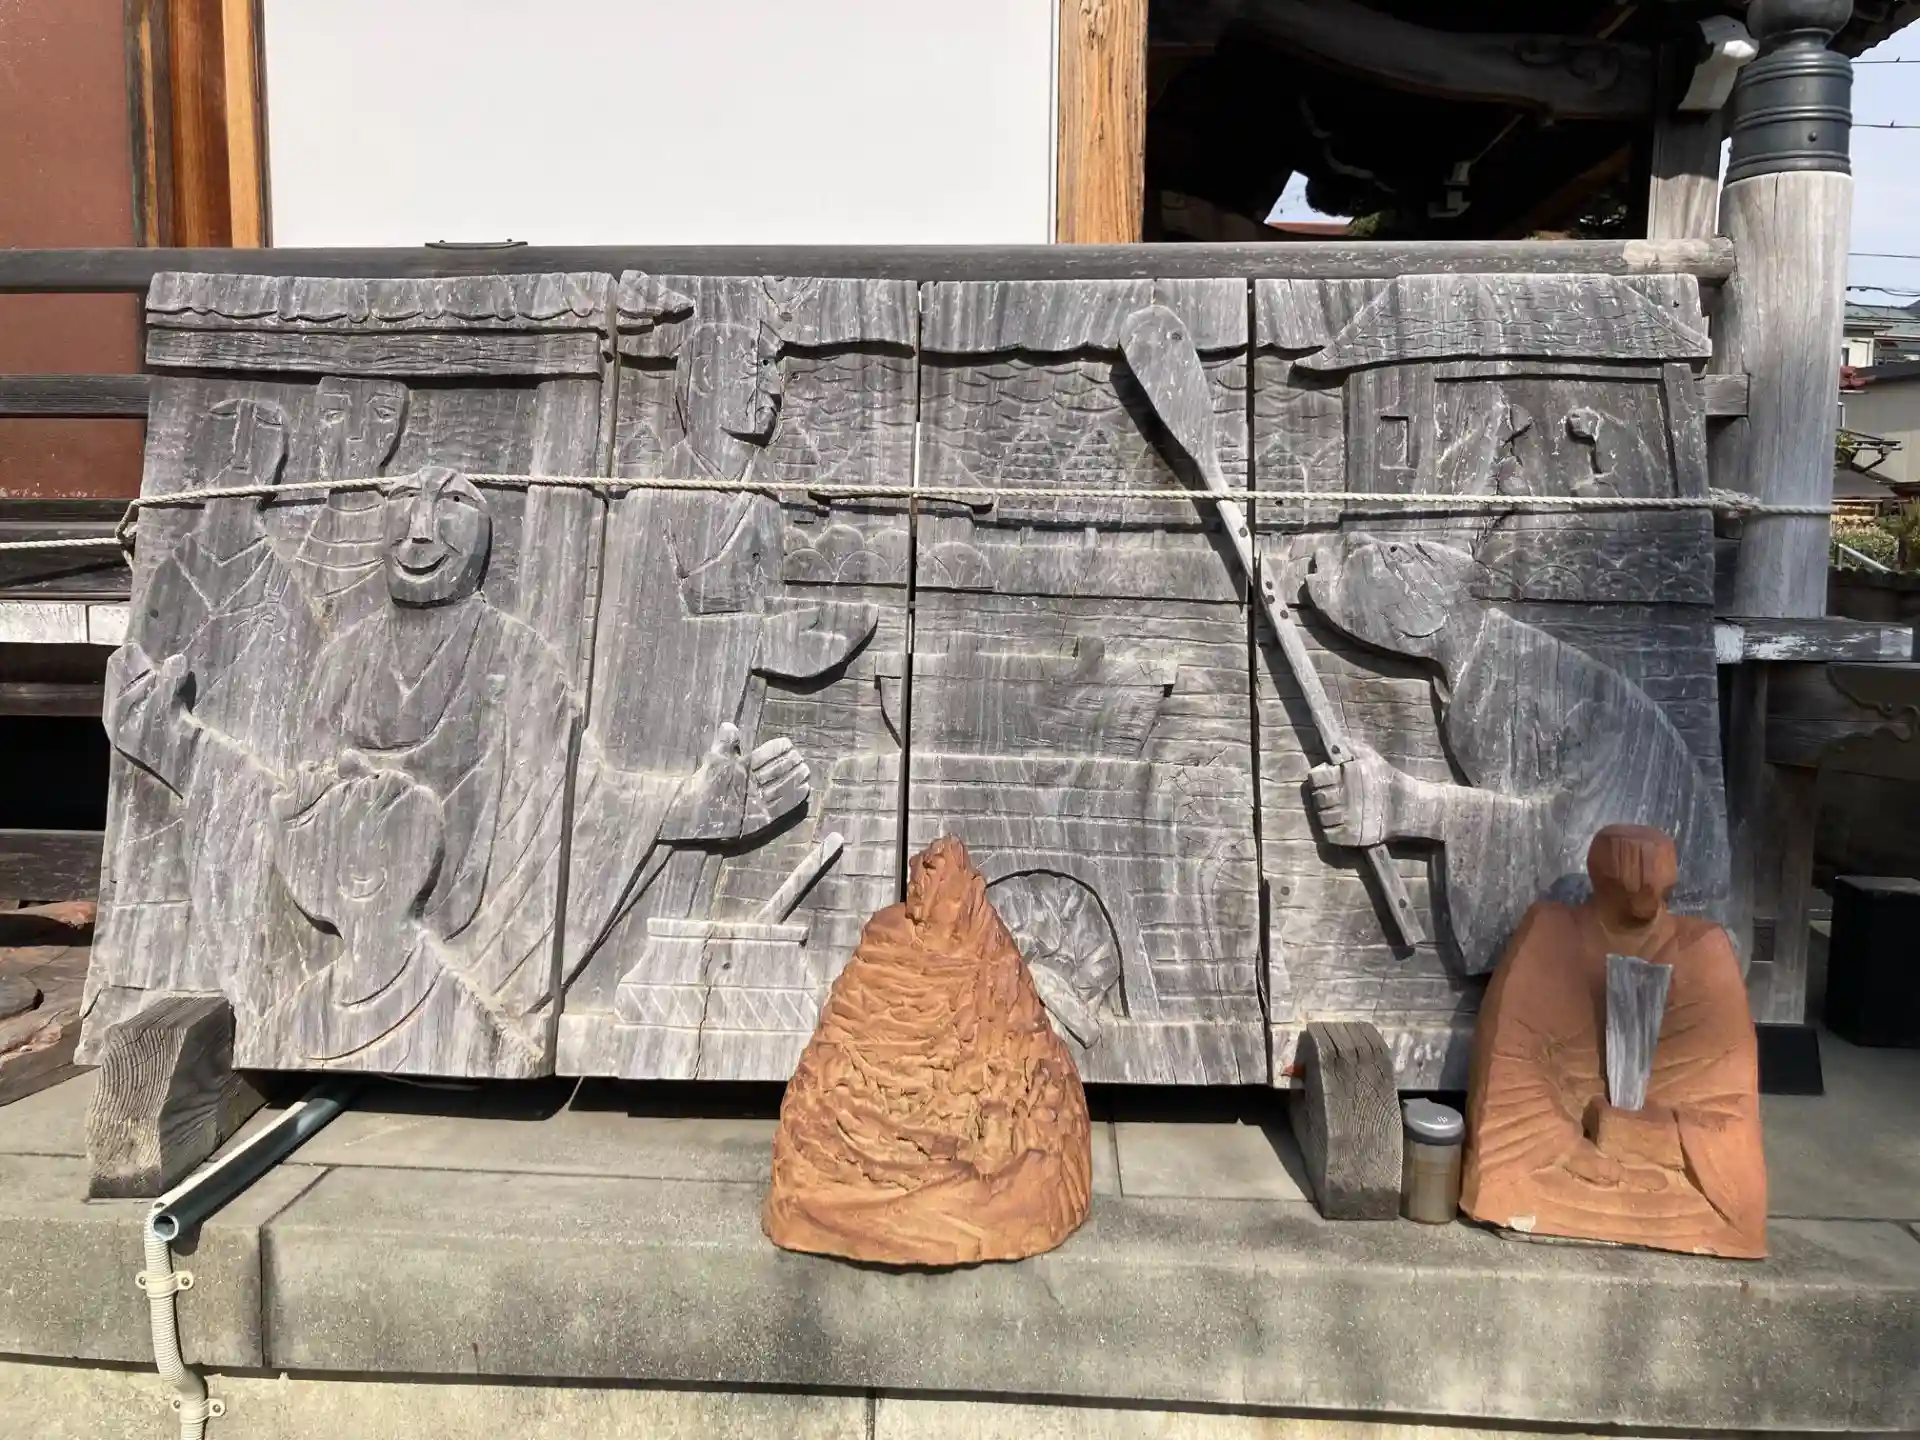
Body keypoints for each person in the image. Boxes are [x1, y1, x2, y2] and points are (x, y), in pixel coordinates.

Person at [1461, 824, 1767, 1258]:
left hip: (1670, 1177)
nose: (1642, 891)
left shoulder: (1702, 951)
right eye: (1629, 878)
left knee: (1726, 1215)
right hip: (1560, 1158)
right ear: (1600, 878)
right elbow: (1509, 1064)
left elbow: (1729, 1107)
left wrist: (1656, 1140)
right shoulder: (1553, 933)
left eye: (1652, 881)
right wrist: (1569, 1146)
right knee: (1510, 1187)